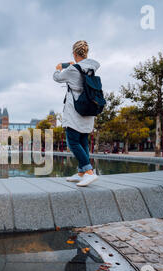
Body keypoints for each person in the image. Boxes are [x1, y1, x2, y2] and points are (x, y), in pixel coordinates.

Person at [53, 40, 99, 187]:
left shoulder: (72, 70)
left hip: (75, 111)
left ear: (74, 54)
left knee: (72, 141)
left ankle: (89, 172)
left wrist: (59, 68)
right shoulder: (91, 68)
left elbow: (57, 78)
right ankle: (81, 173)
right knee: (83, 140)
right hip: (88, 109)